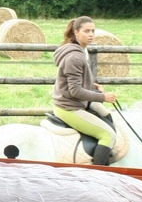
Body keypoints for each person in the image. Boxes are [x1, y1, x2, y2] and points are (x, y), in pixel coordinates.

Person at [51, 15, 118, 165]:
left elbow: (76, 80)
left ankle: (104, 152)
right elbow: (75, 91)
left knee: (106, 114)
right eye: (86, 31)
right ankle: (98, 173)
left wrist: (92, 86)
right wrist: (103, 97)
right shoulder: (75, 56)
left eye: (93, 31)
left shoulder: (78, 50)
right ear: (76, 32)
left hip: (73, 101)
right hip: (69, 107)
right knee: (108, 134)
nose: (91, 35)